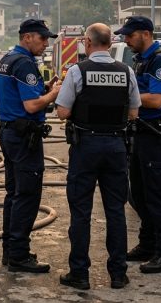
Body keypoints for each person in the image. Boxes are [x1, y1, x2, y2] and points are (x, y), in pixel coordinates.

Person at [55, 23, 140, 290]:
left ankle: (79, 274)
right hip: (116, 147)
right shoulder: (126, 71)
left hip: (86, 147)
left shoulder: (77, 72)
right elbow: (134, 113)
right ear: (111, 43)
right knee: (116, 211)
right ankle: (118, 274)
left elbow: (63, 112)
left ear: (87, 43)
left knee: (81, 212)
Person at [114, 16, 161, 273]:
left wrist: (123, 97)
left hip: (156, 135)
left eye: (130, 35)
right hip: (141, 133)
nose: (126, 40)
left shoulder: (160, 60)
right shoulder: (141, 59)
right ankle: (147, 244)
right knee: (139, 193)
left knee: (158, 196)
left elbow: (157, 100)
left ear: (145, 33)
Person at [0, 19, 61, 273]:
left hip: (9, 132)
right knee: (28, 196)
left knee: (13, 194)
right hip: (24, 138)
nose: (46, 44)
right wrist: (52, 95)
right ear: (27, 37)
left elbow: (19, 93)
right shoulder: (24, 64)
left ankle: (9, 251)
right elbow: (31, 106)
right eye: (42, 39)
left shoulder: (8, 59)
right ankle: (20, 256)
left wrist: (43, 88)